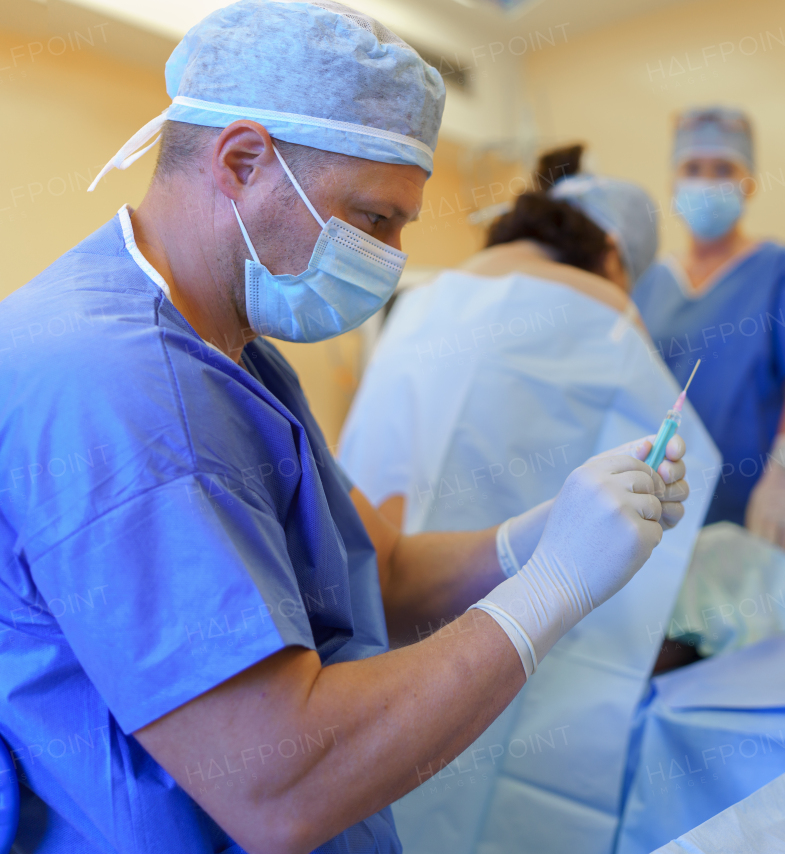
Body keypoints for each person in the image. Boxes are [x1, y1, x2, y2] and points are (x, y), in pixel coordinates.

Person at [0, 4, 690, 852]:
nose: (395, 256)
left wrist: (539, 537)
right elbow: (279, 785)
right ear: (243, 161)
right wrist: (551, 592)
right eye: (375, 220)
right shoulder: (111, 387)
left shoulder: (235, 349)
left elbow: (381, 573)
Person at [337, 150, 719, 852]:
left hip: (368, 644)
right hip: (499, 647)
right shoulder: (604, 311)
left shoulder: (423, 300)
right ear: (612, 253)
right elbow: (652, 480)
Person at [632, 106, 785, 570]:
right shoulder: (650, 283)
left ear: (750, 182)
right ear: (672, 182)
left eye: (724, 168)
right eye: (693, 168)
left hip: (757, 502)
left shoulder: (784, 270)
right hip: (669, 497)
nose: (707, 181)